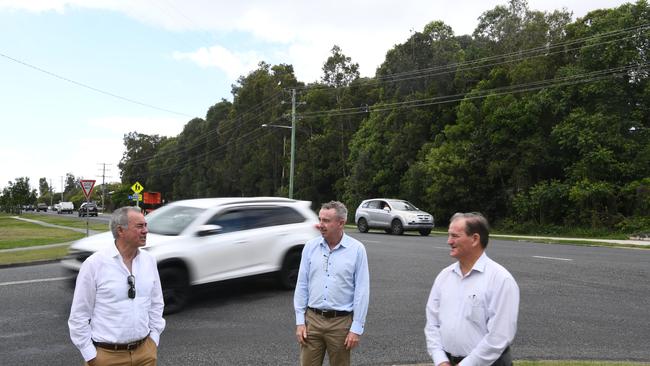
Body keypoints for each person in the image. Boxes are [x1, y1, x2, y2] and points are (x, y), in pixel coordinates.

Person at [69, 206, 166, 366]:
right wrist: (91, 355)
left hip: (145, 353)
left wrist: (153, 339)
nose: (146, 231)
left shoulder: (149, 261)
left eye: (146, 225)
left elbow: (156, 303)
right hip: (107, 357)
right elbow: (79, 315)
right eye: (140, 226)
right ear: (121, 230)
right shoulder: (94, 264)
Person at [424, 212, 519, 366]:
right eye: (449, 235)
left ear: (475, 239)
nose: (449, 241)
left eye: (455, 236)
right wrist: (440, 360)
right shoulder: (444, 276)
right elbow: (432, 323)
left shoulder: (501, 280)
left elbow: (499, 336)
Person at [294, 201, 370, 366]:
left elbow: (362, 291)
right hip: (312, 321)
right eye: (320, 219)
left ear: (341, 223)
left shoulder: (357, 250)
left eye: (326, 221)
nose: (320, 224)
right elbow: (302, 285)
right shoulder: (310, 247)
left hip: (340, 324)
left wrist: (356, 328)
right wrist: (300, 321)